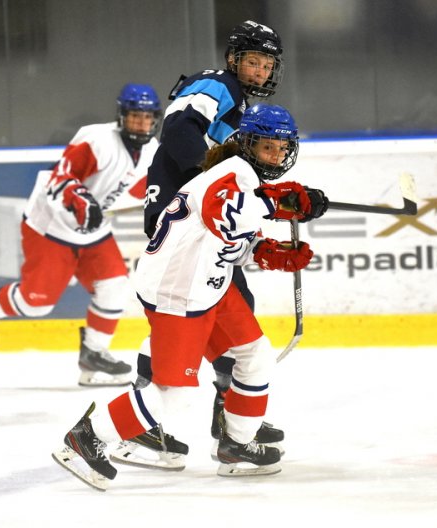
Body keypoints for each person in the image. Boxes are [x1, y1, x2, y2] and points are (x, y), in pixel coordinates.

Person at [53, 104, 328, 487]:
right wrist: (280, 204)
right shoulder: (231, 173)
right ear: (247, 144)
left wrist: (265, 250)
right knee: (174, 395)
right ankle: (87, 439)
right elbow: (226, 215)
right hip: (178, 291)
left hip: (210, 285)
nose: (276, 155)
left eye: (282, 148)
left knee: (255, 355)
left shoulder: (244, 177)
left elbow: (227, 238)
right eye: (267, 147)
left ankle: (237, 444)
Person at [118, 19, 288, 466]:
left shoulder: (238, 98)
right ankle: (157, 427)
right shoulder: (218, 85)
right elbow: (176, 130)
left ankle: (227, 420)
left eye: (266, 63)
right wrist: (210, 181)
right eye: (252, 60)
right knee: (199, 325)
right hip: (186, 221)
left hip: (195, 220)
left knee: (220, 320)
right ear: (234, 60)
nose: (259, 70)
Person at [0, 84, 162, 386]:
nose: (142, 124)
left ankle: (93, 356)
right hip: (52, 227)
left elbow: (147, 191)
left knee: (115, 287)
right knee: (37, 303)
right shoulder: (97, 140)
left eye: (148, 118)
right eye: (135, 116)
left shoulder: (151, 151)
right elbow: (60, 176)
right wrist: (80, 199)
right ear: (122, 116)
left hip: (94, 233)